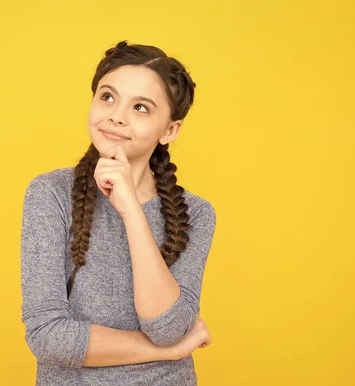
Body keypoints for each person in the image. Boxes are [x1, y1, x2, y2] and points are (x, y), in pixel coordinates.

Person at [20, 40, 217, 385]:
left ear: (169, 130)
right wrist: (167, 352)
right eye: (107, 96)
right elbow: (47, 337)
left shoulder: (197, 214)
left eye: (141, 107)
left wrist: (131, 210)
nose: (116, 115)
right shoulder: (50, 194)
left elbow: (168, 328)